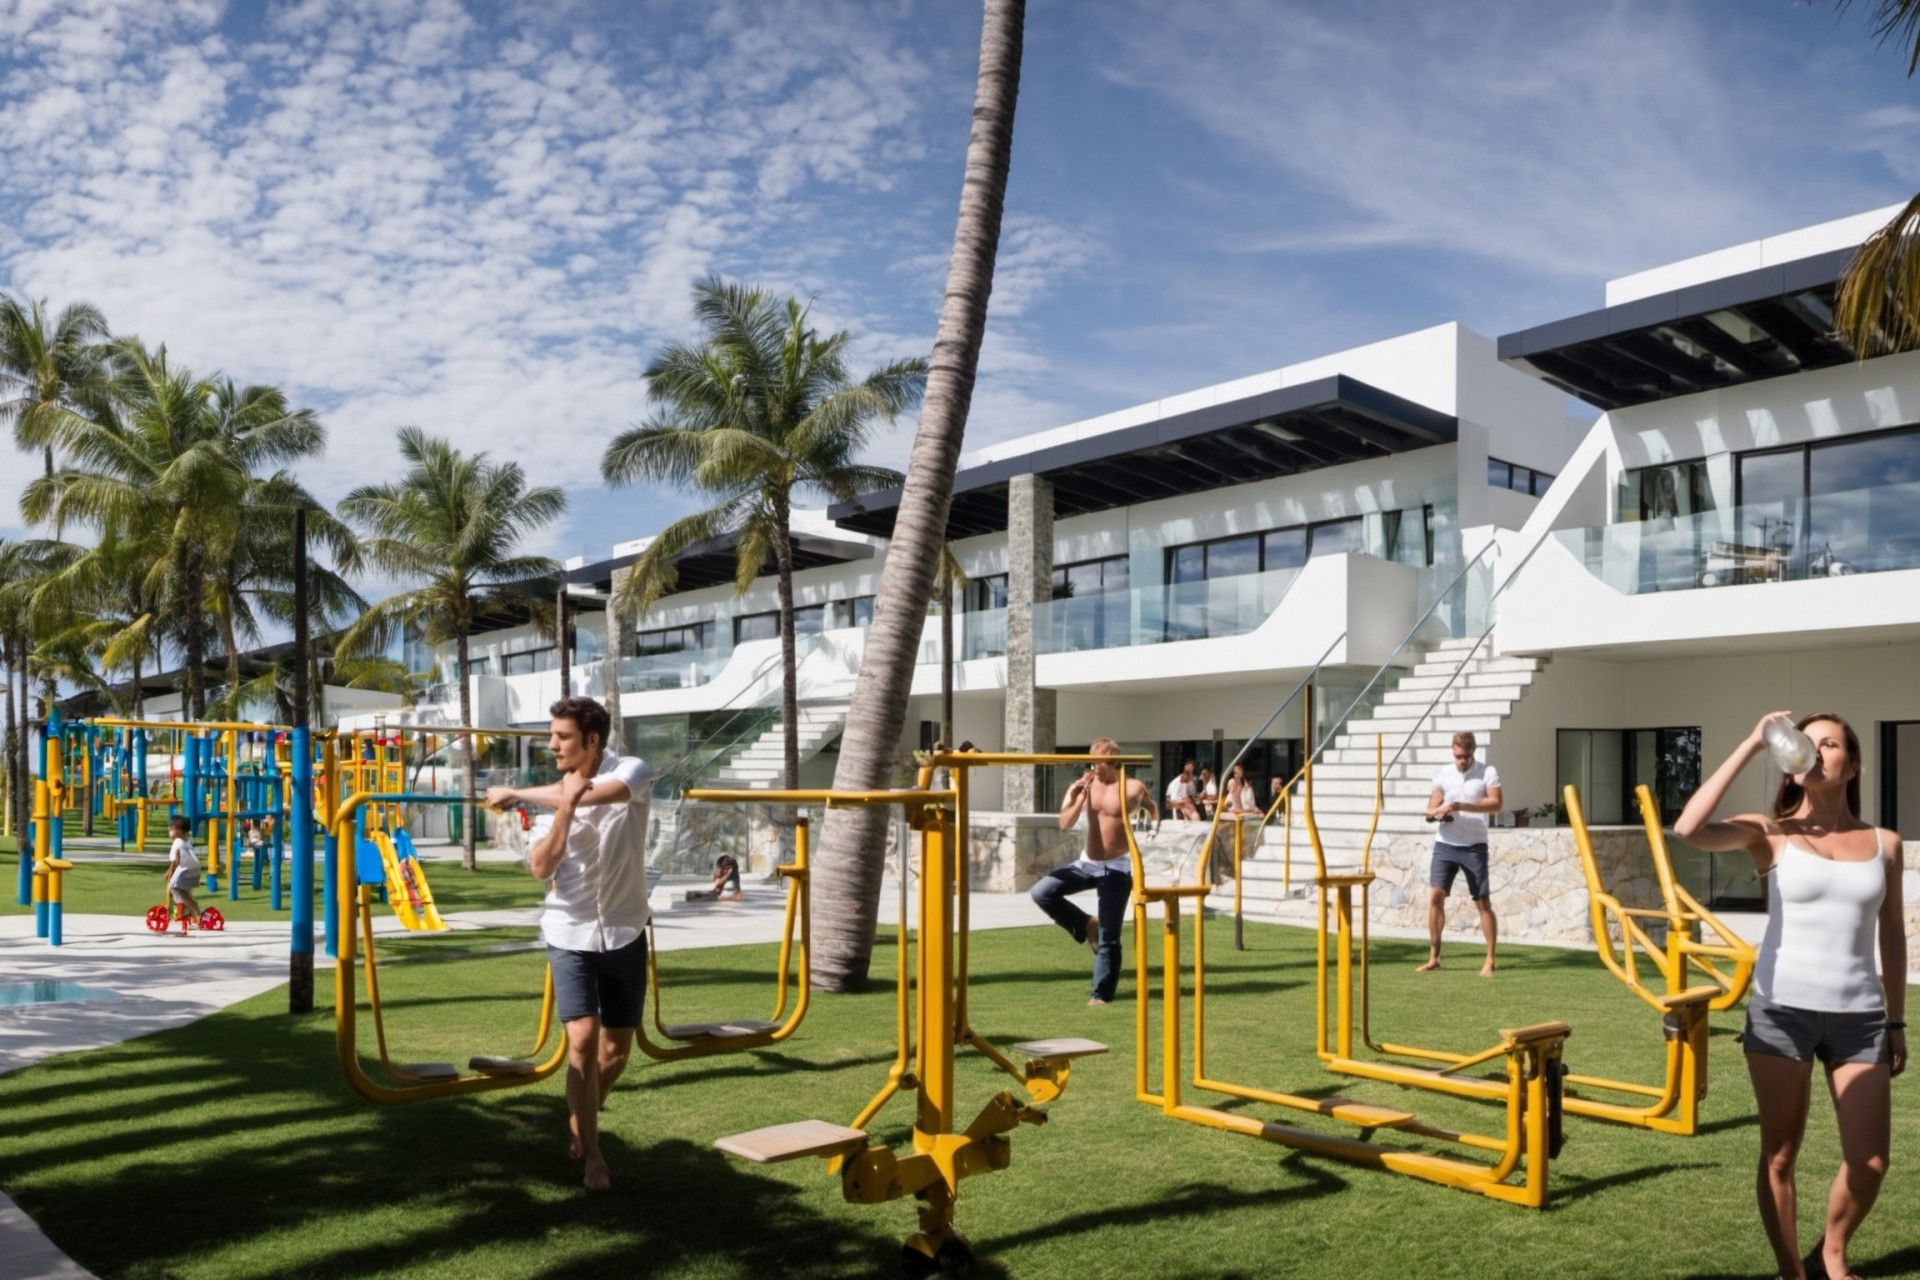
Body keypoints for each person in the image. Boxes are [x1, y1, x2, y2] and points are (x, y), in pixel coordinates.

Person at [1674, 711, 1906, 1280]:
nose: (1817, 751)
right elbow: (1688, 829)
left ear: (1852, 764)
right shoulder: (1770, 832)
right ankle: (1792, 1273)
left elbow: (1892, 935)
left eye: (1830, 744)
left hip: (1861, 1018)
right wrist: (1752, 741)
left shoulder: (1885, 843)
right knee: (1780, 1155)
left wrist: (1896, 1022)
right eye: (1808, 741)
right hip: (1782, 1013)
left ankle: (1831, 1250)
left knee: (1871, 1160)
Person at [485, 696, 653, 1192]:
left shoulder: (632, 770)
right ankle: (593, 1157)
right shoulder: (553, 800)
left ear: (593, 740)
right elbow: (541, 867)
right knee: (581, 1040)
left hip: (624, 930)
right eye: (552, 735)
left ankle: (583, 1114)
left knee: (615, 1052)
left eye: (562, 736)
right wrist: (558, 806)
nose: (552, 744)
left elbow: (600, 795)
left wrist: (517, 790)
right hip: (569, 931)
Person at [1031, 738, 1156, 1006]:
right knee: (1042, 892)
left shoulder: (1132, 787)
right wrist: (1079, 795)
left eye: (1097, 759)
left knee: (1110, 935)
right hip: (1087, 863)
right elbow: (1065, 823)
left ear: (1112, 759)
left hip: (1117, 867)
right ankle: (1087, 924)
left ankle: (1101, 995)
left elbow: (1153, 808)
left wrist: (1153, 832)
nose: (1092, 764)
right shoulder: (1084, 785)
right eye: (1091, 758)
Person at [1419, 731, 1501, 976]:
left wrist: (1460, 806)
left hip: (1474, 845)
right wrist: (1436, 812)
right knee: (1435, 896)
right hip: (1445, 843)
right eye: (1457, 756)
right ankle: (1434, 957)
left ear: (1473, 752)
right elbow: (1431, 805)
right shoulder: (1444, 773)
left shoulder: (1488, 772)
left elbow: (1496, 804)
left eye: (1465, 756)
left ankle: (1490, 959)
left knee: (1482, 902)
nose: (1461, 761)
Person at [164, 815, 203, 931]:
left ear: (177, 831)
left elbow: (176, 860)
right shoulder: (185, 841)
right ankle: (188, 912)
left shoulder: (177, 842)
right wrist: (170, 871)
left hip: (186, 870)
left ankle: (193, 910)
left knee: (175, 888)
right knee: (183, 889)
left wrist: (170, 872)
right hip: (193, 870)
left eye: (171, 828)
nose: (169, 831)